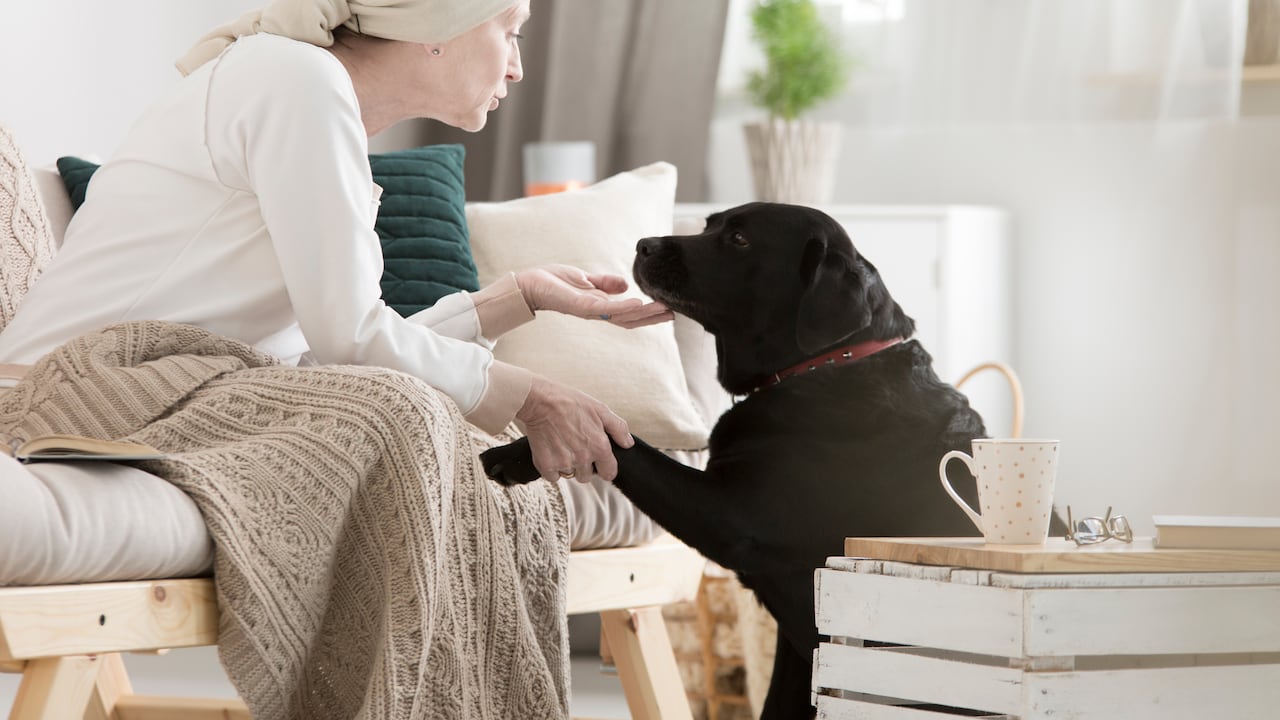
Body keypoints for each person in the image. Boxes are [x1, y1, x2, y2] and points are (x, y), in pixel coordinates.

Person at [0, 0, 672, 540]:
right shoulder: (295, 81)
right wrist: (533, 396)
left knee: (419, 421)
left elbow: (327, 354)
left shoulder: (310, 91)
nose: (518, 67)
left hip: (154, 385)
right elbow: (349, 339)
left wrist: (515, 297)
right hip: (69, 393)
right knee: (401, 420)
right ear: (442, 24)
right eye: (510, 31)